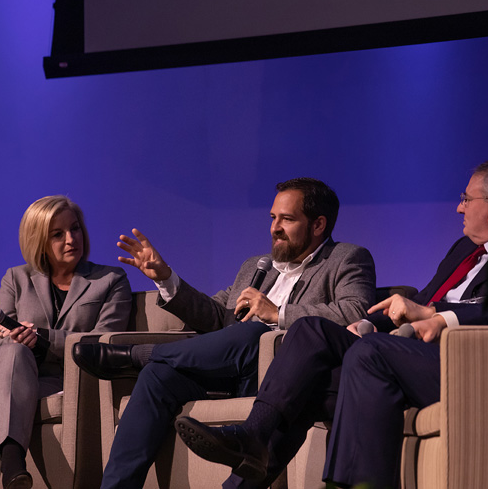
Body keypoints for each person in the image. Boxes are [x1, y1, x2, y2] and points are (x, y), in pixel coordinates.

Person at [174, 124, 488, 488]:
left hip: (484, 357)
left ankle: (270, 461)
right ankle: (253, 446)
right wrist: (372, 320)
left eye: (466, 199)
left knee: (357, 361)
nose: (459, 208)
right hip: (438, 345)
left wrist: (442, 319)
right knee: (314, 336)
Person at [71, 177, 376, 489]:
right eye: (273, 218)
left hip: (281, 377)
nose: (275, 228)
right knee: (157, 376)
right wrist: (166, 278)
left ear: (318, 225)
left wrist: (278, 313)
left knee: (252, 332)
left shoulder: (346, 258)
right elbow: (217, 316)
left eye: (287, 219)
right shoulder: (256, 266)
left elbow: (354, 310)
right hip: (229, 369)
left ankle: (136, 356)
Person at [0, 195, 132, 489]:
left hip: (56, 381)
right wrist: (11, 337)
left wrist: (41, 338)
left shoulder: (110, 280)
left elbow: (101, 343)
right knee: (14, 352)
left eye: (75, 229)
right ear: (39, 241)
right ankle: (13, 464)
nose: (71, 239)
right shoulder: (16, 278)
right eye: (57, 234)